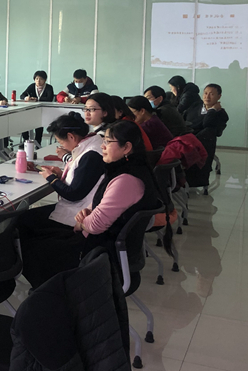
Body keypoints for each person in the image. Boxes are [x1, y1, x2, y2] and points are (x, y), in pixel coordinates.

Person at [18, 113, 106, 287]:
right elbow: (82, 180)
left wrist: (51, 179)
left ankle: (30, 274)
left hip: (77, 215)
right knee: (24, 218)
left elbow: (73, 194)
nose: (62, 146)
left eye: (61, 142)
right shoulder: (91, 144)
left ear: (71, 137)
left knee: (21, 220)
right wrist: (60, 175)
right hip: (80, 207)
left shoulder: (91, 155)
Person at [75, 120, 169, 263]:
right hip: (106, 246)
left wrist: (81, 224)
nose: (102, 146)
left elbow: (95, 226)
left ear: (126, 147)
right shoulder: (132, 168)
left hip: (102, 254)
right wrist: (88, 210)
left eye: (107, 142)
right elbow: (104, 201)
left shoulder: (127, 180)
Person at [20, 70, 54, 144]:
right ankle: (25, 141)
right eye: (36, 79)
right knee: (24, 123)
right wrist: (26, 98)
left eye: (41, 79)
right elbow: (22, 95)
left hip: (43, 111)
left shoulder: (49, 87)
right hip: (30, 111)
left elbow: (49, 98)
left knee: (39, 125)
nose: (38, 81)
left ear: (45, 80)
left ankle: (38, 142)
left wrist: (36, 99)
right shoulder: (32, 86)